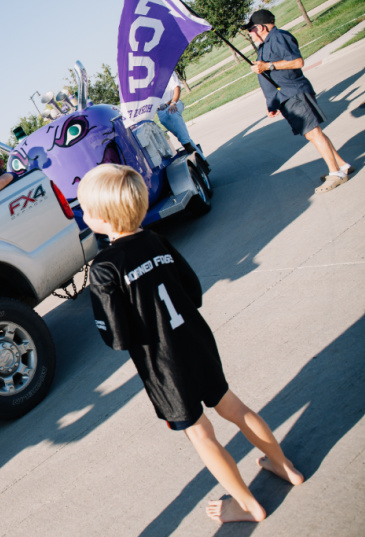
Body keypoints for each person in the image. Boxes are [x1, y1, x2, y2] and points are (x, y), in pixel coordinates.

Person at [79, 164, 303, 524]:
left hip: (164, 363)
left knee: (200, 433)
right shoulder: (156, 240)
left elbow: (116, 337)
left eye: (87, 210)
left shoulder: (104, 268)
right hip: (196, 340)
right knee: (232, 406)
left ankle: (246, 504)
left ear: (103, 217)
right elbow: (193, 291)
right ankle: (283, 465)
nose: (84, 215)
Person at [244, 9, 353, 194]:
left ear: (260, 27)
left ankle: (336, 173)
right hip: (285, 97)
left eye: (251, 29)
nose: (249, 34)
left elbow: (297, 62)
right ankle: (342, 166)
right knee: (312, 134)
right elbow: (270, 77)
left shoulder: (279, 37)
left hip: (294, 93)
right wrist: (272, 103)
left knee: (314, 133)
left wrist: (268, 65)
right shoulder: (264, 45)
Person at [157, 71, 198, 154]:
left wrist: (173, 102)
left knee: (173, 113)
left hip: (173, 104)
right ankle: (201, 159)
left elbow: (177, 88)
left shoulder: (168, 71)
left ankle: (187, 144)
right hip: (161, 110)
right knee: (182, 134)